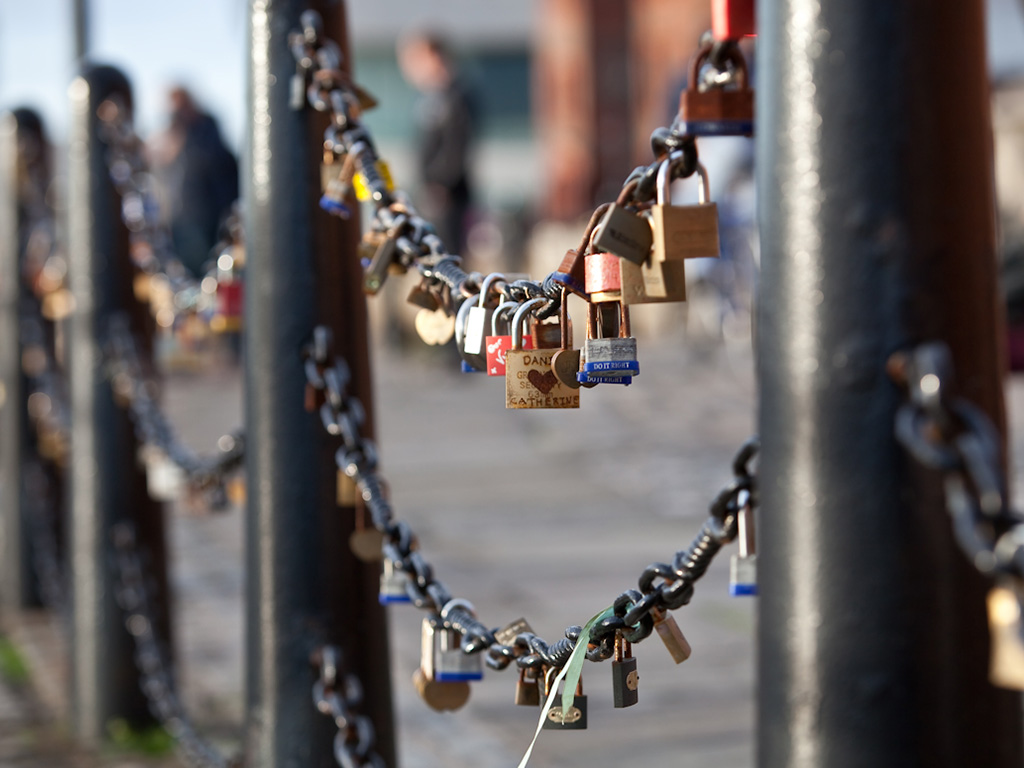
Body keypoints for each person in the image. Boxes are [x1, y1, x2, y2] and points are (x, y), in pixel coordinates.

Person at [397, 32, 475, 256]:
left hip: (445, 197)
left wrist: (441, 183)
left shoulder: (455, 96)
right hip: (430, 194)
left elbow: (457, 146)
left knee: (446, 259)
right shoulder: (430, 97)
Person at [151, 86, 239, 278]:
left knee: (204, 272)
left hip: (207, 217)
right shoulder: (170, 139)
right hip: (177, 218)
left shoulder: (205, 136)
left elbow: (211, 168)